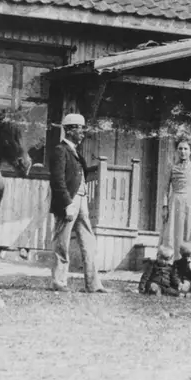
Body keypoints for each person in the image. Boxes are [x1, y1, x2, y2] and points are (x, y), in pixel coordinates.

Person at [48, 113, 108, 294]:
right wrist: (67, 203)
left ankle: (93, 284)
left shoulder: (75, 152)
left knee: (88, 241)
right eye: (80, 129)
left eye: (82, 129)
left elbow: (79, 174)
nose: (82, 133)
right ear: (70, 130)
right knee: (62, 242)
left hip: (81, 200)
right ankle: (58, 281)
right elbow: (57, 180)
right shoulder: (60, 150)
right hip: (69, 201)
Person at [161, 139, 191, 250]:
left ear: (190, 151)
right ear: (176, 150)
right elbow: (165, 189)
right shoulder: (171, 167)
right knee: (172, 231)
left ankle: (187, 261)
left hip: (190, 203)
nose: (183, 151)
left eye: (186, 149)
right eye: (180, 148)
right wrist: (165, 207)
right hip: (174, 202)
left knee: (188, 231)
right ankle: (171, 260)